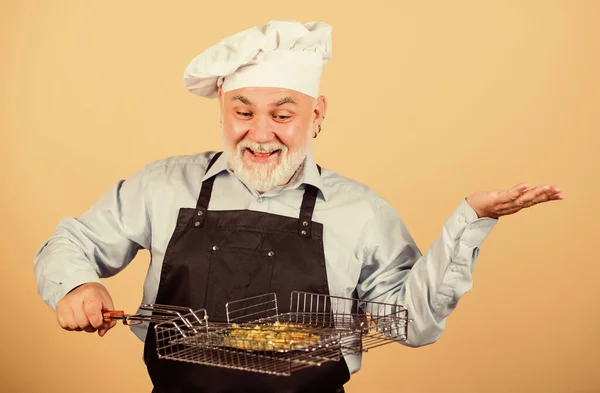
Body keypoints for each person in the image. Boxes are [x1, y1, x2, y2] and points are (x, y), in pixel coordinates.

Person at [33, 20, 564, 393]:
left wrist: (470, 220)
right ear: (222, 109)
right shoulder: (163, 185)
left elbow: (412, 324)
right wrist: (77, 284)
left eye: (282, 115)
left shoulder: (360, 212)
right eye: (243, 111)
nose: (260, 134)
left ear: (317, 114)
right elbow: (71, 242)